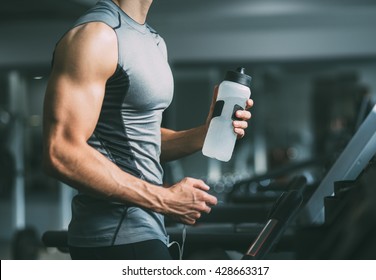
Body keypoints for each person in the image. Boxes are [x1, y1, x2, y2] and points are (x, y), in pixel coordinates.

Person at [42, 0, 253, 260]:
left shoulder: (153, 41)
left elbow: (140, 140)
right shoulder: (96, 35)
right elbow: (61, 151)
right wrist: (164, 199)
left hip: (149, 231)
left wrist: (205, 133)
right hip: (114, 238)